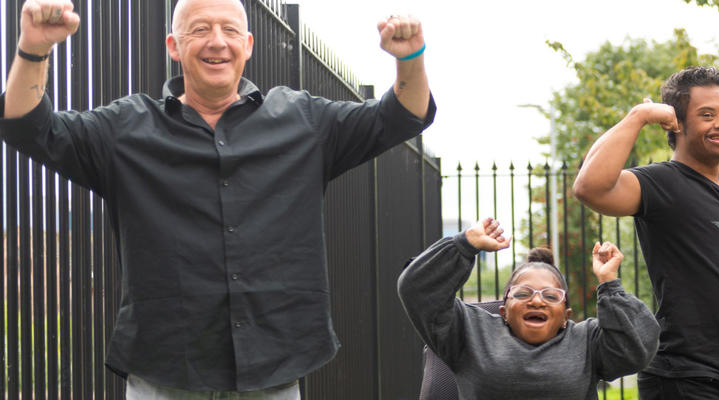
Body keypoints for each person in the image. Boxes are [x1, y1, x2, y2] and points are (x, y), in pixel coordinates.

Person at [0, 0, 435, 395]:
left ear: (248, 45)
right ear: (174, 45)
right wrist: (33, 50)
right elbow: (27, 127)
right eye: (200, 29)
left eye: (229, 30)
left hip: (275, 368)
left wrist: (410, 58)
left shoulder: (304, 121)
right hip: (164, 371)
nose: (217, 42)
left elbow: (402, 116)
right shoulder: (125, 130)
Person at [572, 66, 719, 399]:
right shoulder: (662, 182)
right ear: (677, 123)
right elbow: (590, 188)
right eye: (707, 115)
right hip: (682, 376)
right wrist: (638, 116)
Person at [398, 218, 658, 399]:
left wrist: (609, 284)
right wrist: (466, 243)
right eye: (522, 294)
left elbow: (637, 348)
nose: (536, 301)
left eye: (551, 295)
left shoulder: (586, 341)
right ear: (503, 310)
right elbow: (416, 288)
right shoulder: (468, 332)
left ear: (566, 316)